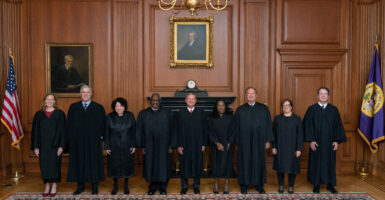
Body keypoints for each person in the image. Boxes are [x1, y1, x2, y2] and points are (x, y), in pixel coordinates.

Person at [303, 87, 346, 194]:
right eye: (321, 94)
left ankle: (330, 185)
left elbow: (338, 126)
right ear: (317, 96)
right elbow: (307, 126)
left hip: (329, 143)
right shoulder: (311, 109)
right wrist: (311, 140)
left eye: (325, 94)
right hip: (316, 143)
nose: (323, 95)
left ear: (328, 96)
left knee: (330, 163)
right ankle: (316, 184)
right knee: (316, 163)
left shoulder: (333, 110)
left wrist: (336, 141)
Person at [66, 85, 106, 195]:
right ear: (80, 94)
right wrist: (70, 140)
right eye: (83, 92)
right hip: (77, 142)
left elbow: (103, 125)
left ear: (91, 94)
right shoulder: (73, 107)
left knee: (94, 162)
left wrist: (101, 137)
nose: (85, 94)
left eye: (88, 92)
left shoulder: (98, 108)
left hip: (93, 141)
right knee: (79, 162)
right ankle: (80, 186)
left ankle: (94, 186)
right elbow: (69, 125)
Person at [235, 87, 274, 194]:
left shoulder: (264, 109)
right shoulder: (240, 110)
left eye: (253, 93)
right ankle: (244, 185)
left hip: (259, 141)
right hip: (244, 142)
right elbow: (236, 128)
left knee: (259, 162)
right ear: (246, 95)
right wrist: (237, 142)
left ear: (256, 95)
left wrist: (268, 140)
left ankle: (259, 185)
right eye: (248, 93)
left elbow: (268, 125)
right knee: (244, 162)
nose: (251, 95)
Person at [136, 93, 173, 195]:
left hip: (164, 145)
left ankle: (163, 187)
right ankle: (152, 187)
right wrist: (142, 146)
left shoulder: (167, 113)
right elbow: (140, 131)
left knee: (163, 165)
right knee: (150, 165)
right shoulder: (143, 113)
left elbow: (172, 129)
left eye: (157, 100)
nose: (155, 102)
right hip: (149, 145)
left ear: (160, 102)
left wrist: (170, 145)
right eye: (153, 100)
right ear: (150, 101)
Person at [31, 93, 66, 197]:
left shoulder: (60, 114)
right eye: (48, 99)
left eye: (52, 99)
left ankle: (54, 185)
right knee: (44, 165)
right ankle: (47, 185)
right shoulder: (39, 115)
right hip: (43, 145)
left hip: (55, 145)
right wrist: (36, 147)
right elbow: (35, 131)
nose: (50, 101)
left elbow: (63, 131)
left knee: (55, 166)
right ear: (44, 101)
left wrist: (61, 146)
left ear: (55, 101)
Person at [173, 93, 207, 195]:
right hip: (184, 144)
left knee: (197, 164)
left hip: (197, 144)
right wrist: (178, 145)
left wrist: (204, 143)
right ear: (185, 100)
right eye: (189, 99)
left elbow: (205, 130)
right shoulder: (180, 113)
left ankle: (196, 186)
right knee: (184, 165)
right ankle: (184, 186)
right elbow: (176, 130)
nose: (191, 100)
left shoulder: (201, 113)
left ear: (196, 101)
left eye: (193, 99)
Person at [104, 97, 136, 195]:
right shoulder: (109, 116)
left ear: (124, 107)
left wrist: (133, 145)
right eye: (116, 106)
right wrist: (107, 146)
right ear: (114, 107)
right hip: (114, 146)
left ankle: (126, 185)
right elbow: (106, 132)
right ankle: (115, 185)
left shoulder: (130, 116)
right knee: (114, 166)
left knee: (127, 165)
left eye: (121, 106)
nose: (119, 108)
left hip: (127, 145)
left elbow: (134, 132)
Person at [272, 99, 303, 194]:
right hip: (280, 147)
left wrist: (299, 149)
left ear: (291, 107)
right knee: (280, 167)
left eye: (287, 105)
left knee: (292, 168)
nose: (285, 107)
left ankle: (290, 186)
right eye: (283, 106)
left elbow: (300, 135)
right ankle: (281, 185)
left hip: (293, 148)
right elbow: (273, 134)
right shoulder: (277, 118)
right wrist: (274, 146)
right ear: (282, 107)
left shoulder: (297, 119)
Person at [207, 100, 236, 194]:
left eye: (222, 105)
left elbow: (233, 131)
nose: (221, 107)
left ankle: (226, 184)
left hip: (227, 145)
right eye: (219, 105)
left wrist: (228, 143)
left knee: (227, 164)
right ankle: (215, 183)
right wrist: (216, 143)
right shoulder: (211, 118)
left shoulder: (231, 118)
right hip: (215, 145)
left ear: (225, 107)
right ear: (216, 107)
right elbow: (209, 132)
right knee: (215, 164)